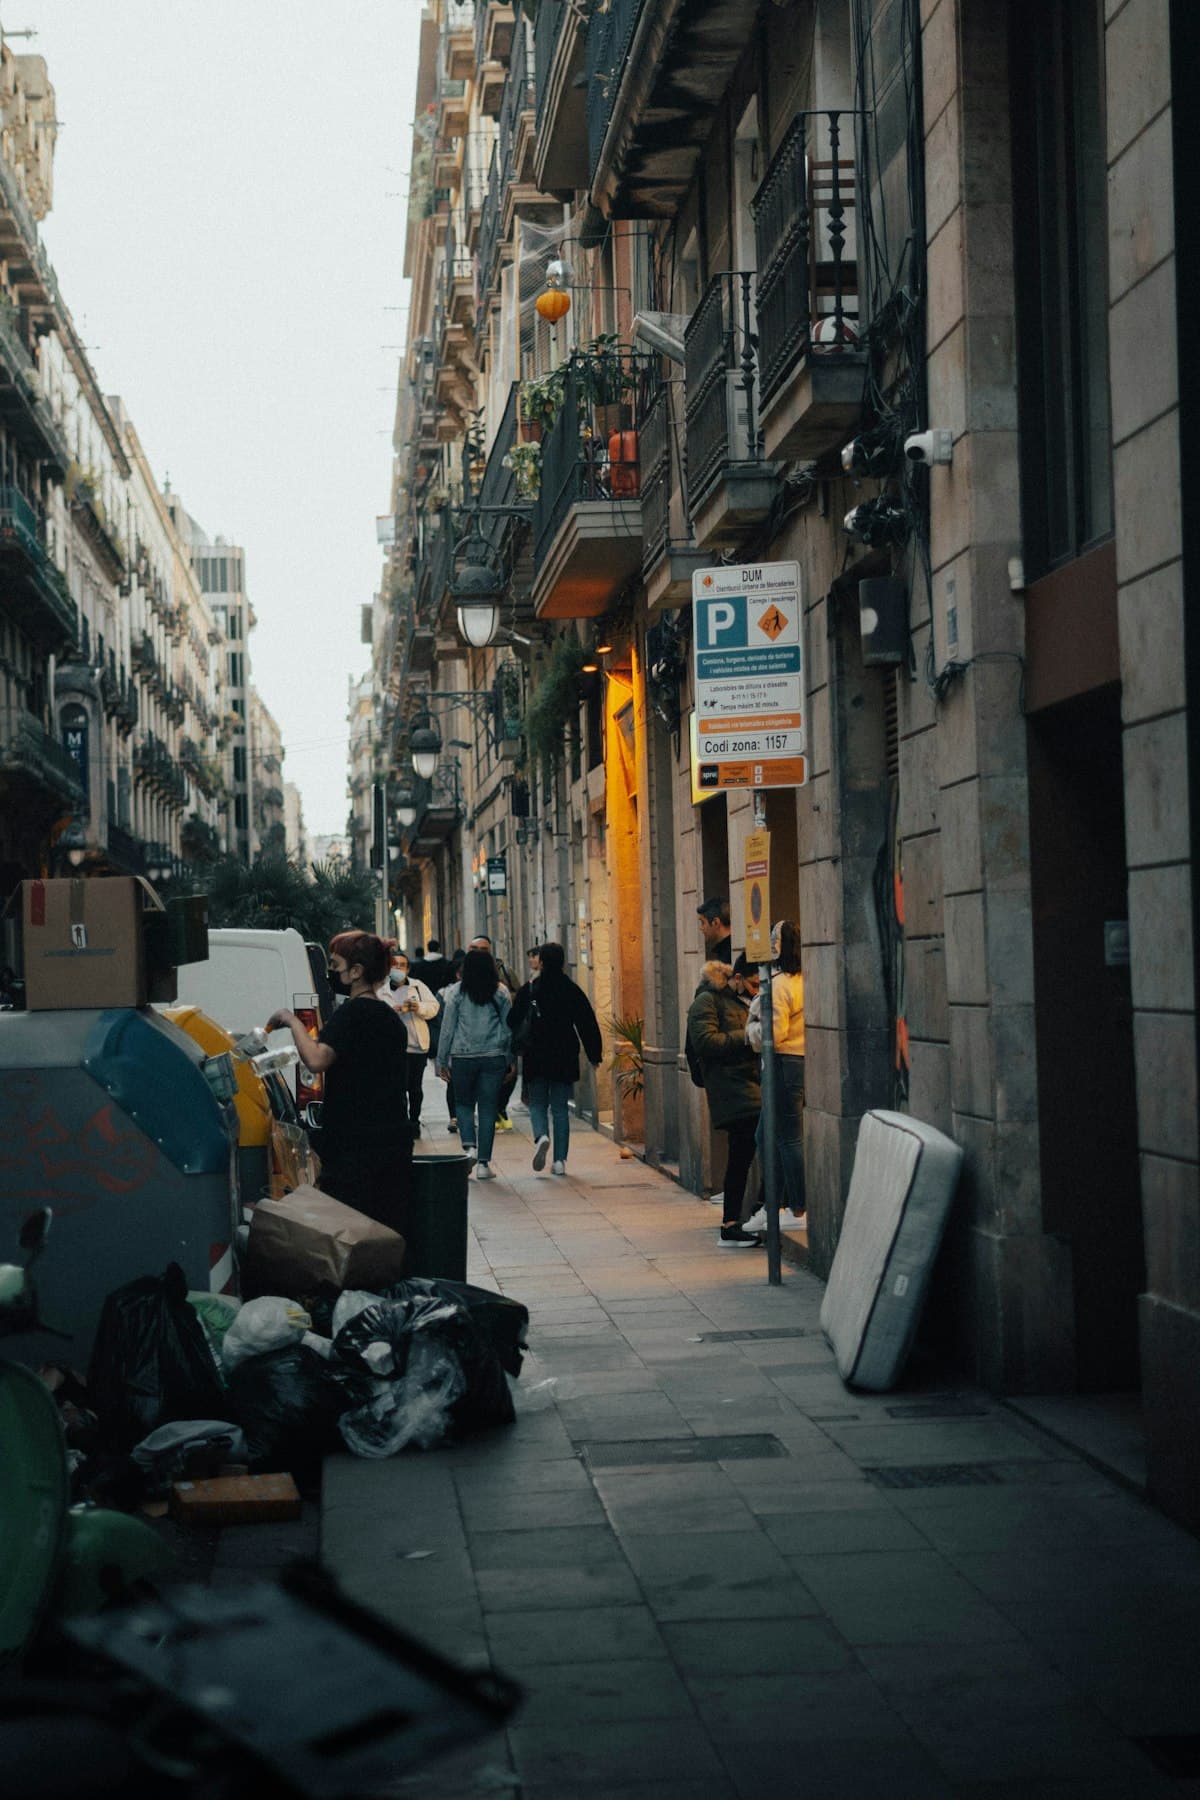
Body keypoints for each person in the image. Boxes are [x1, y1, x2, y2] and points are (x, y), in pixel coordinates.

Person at [266, 930, 411, 1233]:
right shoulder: (389, 1018)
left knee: (352, 1233)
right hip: (393, 1141)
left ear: (356, 972)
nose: (330, 973)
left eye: (335, 965)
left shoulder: (352, 1013)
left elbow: (317, 1058)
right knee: (386, 1229)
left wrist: (292, 1022)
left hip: (355, 1148)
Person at [686, 956, 763, 1246]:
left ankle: (742, 1218)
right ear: (737, 977)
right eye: (753, 983)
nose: (757, 990)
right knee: (746, 1154)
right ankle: (736, 1222)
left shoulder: (742, 1000)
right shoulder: (707, 1000)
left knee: (747, 1154)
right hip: (733, 1089)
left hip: (751, 1085)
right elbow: (704, 1042)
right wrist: (746, 1037)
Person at [509, 942, 602, 1176]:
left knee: (538, 1103)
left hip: (536, 1054)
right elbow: (587, 1022)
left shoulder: (530, 989)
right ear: (562, 962)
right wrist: (594, 1054)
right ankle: (560, 1161)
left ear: (541, 962)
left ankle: (541, 1136)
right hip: (564, 1054)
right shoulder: (571, 989)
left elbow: (512, 1019)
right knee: (560, 1108)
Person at [747, 919, 806, 1228]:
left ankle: (797, 1207)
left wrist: (751, 1029)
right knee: (767, 1136)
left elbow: (775, 1033)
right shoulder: (796, 980)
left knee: (786, 1138)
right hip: (790, 1062)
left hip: (784, 1062)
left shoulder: (781, 984)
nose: (770, 942)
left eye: (774, 937)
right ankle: (776, 1206)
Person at [436, 947, 512, 1180]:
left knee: (464, 1104)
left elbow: (447, 1028)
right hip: (493, 1056)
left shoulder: (456, 993)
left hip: (462, 1057)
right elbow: (509, 1028)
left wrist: (441, 1060)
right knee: (488, 1109)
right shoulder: (500, 992)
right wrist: (509, 1058)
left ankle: (469, 1147)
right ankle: (483, 1165)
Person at [379, 949, 439, 1136]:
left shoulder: (418, 987)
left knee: (415, 1087)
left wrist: (417, 1007)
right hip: (393, 1048)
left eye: (402, 965)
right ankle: (400, 1121)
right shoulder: (381, 989)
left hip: (416, 1045)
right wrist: (392, 1011)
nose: (398, 968)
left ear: (408, 969)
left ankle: (414, 1121)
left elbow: (434, 1007)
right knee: (397, 1087)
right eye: (394, 965)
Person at [469, 934, 518, 1129]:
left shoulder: (503, 973)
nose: (479, 954)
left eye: (484, 950)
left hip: (498, 1038)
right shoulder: (462, 973)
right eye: (475, 950)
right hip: (469, 1043)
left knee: (507, 1078)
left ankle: (499, 1109)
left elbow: (518, 995)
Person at [697, 896, 732, 965]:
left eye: (703, 922)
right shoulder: (725, 949)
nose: (701, 928)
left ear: (716, 922)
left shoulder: (728, 953)